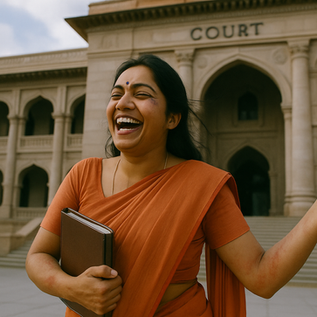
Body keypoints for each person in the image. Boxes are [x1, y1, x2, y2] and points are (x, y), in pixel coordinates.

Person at [26, 54, 317, 317]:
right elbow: (38, 256)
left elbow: (260, 275)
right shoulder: (82, 174)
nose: (123, 103)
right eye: (116, 94)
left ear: (172, 118)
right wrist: (71, 287)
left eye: (141, 94)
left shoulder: (202, 185)